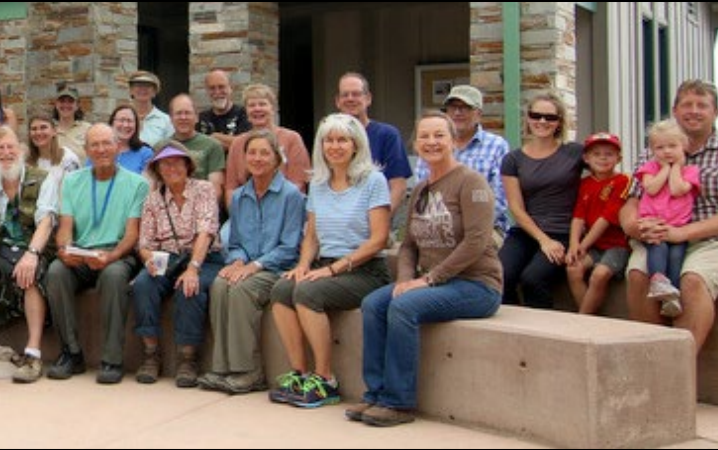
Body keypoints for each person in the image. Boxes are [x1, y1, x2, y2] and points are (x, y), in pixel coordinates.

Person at [349, 112, 502, 428]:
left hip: (476, 285)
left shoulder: (470, 182)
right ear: (415, 143)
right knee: (374, 304)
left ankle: (398, 403)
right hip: (434, 284)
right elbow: (408, 245)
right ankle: (375, 393)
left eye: (439, 136)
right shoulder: (420, 190)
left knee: (403, 307)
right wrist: (405, 280)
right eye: (424, 137)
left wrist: (430, 278)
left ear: (452, 140)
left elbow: (477, 240)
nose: (431, 142)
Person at [620, 79, 718, 360]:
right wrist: (635, 226)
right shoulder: (652, 153)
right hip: (658, 238)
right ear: (675, 111)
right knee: (638, 275)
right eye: (687, 104)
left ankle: (680, 370)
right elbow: (631, 203)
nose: (694, 111)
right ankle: (655, 363)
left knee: (693, 279)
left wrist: (682, 233)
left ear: (716, 113)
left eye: (702, 105)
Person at [266, 114, 392, 408]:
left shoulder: (373, 180)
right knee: (282, 289)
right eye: (329, 140)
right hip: (326, 265)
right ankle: (299, 372)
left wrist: (334, 269)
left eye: (342, 140)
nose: (335, 146)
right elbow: (312, 234)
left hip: (365, 271)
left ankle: (326, 380)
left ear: (356, 144)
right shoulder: (319, 183)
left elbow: (379, 240)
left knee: (307, 292)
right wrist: (303, 266)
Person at [198, 129, 305, 395]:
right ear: (244, 158)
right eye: (252, 153)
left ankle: (249, 371)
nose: (258, 158)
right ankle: (222, 368)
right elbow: (235, 242)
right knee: (221, 284)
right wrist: (236, 261)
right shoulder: (240, 197)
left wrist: (253, 266)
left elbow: (290, 247)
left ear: (277, 159)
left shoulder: (291, 196)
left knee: (242, 289)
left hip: (277, 269)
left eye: (264, 153)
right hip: (248, 266)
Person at [44, 124, 150, 384]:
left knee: (114, 277)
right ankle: (71, 354)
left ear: (117, 147)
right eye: (94, 145)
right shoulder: (72, 181)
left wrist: (111, 256)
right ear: (87, 150)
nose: (101, 149)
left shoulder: (137, 184)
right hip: (81, 254)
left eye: (106, 143)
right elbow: (66, 227)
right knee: (56, 272)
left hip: (117, 254)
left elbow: (132, 234)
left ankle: (112, 359)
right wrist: (64, 250)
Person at [0, 127, 63, 384]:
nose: (6, 153)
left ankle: (33, 353)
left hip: (35, 247)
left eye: (11, 148)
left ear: (21, 151)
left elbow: (46, 221)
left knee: (29, 273)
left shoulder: (43, 179)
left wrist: (32, 254)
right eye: (0, 149)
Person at [130, 142, 222, 388]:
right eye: (165, 163)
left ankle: (187, 359)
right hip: (166, 257)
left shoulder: (204, 189)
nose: (171, 168)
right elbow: (144, 243)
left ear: (187, 164)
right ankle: (150, 354)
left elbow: (206, 231)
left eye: (177, 162)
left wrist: (193, 268)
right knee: (142, 285)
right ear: (157, 168)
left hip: (203, 256)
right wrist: (148, 259)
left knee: (189, 288)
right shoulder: (152, 199)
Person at [500, 93, 583, 309]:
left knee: (533, 279)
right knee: (501, 275)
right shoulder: (513, 159)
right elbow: (516, 208)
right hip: (527, 232)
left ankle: (544, 333)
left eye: (550, 117)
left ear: (559, 122)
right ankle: (514, 328)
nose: (542, 122)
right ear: (527, 119)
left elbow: (605, 170)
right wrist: (543, 240)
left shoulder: (575, 152)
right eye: (536, 115)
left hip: (562, 232)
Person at [417, 85, 509, 234]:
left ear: (478, 114)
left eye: (465, 107)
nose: (457, 113)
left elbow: (499, 200)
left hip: (485, 229)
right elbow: (422, 194)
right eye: (453, 107)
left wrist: (464, 227)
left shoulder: (497, 146)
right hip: (438, 228)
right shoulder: (433, 147)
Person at [634, 120, 702, 317]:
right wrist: (664, 168)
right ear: (652, 150)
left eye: (672, 146)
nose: (666, 151)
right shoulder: (649, 168)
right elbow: (651, 188)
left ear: (684, 146)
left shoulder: (690, 171)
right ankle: (657, 281)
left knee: (676, 257)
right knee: (658, 248)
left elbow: (677, 189)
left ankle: (671, 297)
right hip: (653, 224)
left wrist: (676, 167)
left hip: (679, 226)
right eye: (660, 147)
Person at [567, 132, 631, 315]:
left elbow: (606, 218)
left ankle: (583, 320)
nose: (603, 158)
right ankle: (591, 318)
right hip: (593, 245)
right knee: (573, 269)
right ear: (586, 158)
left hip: (617, 245)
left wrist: (583, 245)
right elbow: (578, 216)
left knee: (599, 275)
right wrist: (574, 245)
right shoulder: (584, 183)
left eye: (609, 154)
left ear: (618, 158)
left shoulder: (623, 181)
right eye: (596, 154)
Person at [335, 73, 411, 215]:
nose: (350, 98)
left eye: (356, 94)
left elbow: (398, 187)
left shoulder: (387, 135)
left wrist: (380, 223)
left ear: (368, 98)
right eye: (345, 95)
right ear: (337, 101)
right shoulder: (329, 138)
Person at [223, 83, 311, 200]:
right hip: (246, 210)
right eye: (252, 105)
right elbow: (231, 188)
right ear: (246, 111)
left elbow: (298, 183)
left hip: (284, 208)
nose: (257, 109)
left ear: (273, 108)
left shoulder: (292, 139)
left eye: (262, 104)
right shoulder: (237, 144)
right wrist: (237, 213)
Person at [168, 94, 227, 188]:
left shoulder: (212, 146)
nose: (183, 117)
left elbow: (215, 188)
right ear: (170, 118)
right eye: (178, 113)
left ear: (197, 117)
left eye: (187, 113)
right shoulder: (162, 147)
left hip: (203, 200)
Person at [87, 105, 154, 175]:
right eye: (121, 120)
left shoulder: (146, 154)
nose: (125, 125)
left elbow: (147, 183)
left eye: (130, 121)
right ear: (112, 123)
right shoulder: (98, 151)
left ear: (136, 125)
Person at [197, 70, 250, 148]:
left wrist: (215, 137)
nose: (217, 92)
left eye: (221, 87)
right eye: (212, 88)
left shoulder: (244, 114)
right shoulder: (201, 118)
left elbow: (247, 143)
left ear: (230, 88)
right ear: (207, 91)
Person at [127, 71, 173, 147]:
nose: (142, 89)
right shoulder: (121, 118)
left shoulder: (166, 121)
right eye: (138, 85)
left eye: (147, 86)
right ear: (131, 90)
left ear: (155, 92)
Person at [53, 86, 91, 160]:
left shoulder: (87, 129)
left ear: (77, 106)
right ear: (56, 105)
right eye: (62, 101)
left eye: (70, 101)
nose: (66, 105)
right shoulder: (48, 129)